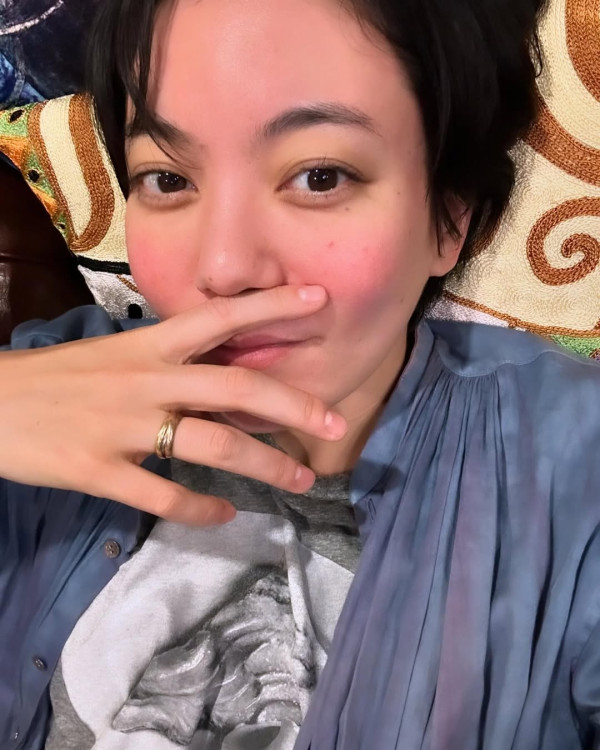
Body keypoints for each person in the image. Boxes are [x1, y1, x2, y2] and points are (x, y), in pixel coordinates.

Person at [2, 0, 600, 748]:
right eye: (167, 178)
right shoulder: (45, 384)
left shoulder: (574, 467)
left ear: (450, 219)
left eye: (320, 176)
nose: (224, 268)